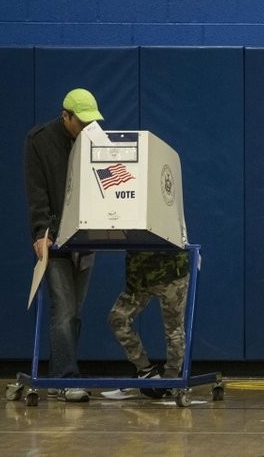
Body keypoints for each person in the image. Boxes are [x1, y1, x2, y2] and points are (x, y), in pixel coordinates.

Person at [24, 88, 104, 402]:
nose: (86, 128)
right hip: (55, 237)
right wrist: (40, 233)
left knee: (75, 311)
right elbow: (36, 191)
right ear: (65, 116)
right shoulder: (39, 141)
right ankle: (67, 379)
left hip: (86, 237)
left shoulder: (96, 138)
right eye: (80, 122)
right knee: (64, 309)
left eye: (90, 122)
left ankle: (60, 377)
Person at [103, 250, 189, 399]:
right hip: (139, 277)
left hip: (170, 276)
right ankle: (145, 371)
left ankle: (171, 381)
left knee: (174, 330)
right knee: (117, 318)